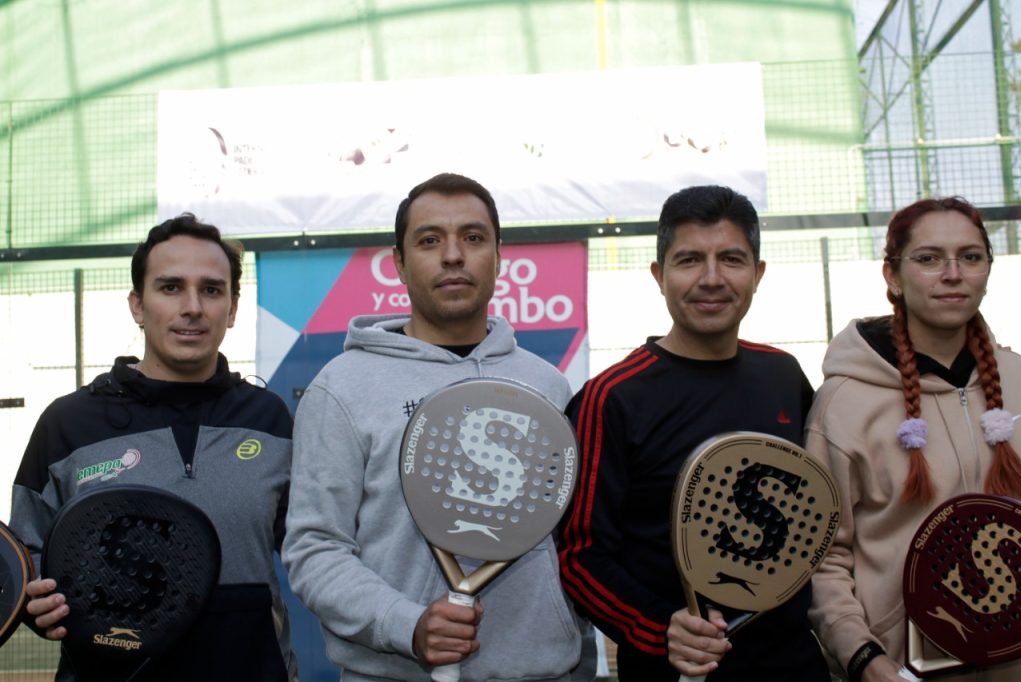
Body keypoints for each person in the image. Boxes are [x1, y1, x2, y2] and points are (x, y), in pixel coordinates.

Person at [282, 172, 589, 681]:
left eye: (473, 238)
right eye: (430, 240)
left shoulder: (549, 385)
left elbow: (566, 544)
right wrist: (406, 625)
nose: (453, 255)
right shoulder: (341, 387)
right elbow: (316, 548)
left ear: (498, 255)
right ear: (400, 264)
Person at [558, 185, 830, 681]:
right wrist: (660, 629)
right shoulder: (612, 398)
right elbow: (579, 557)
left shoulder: (784, 374)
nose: (712, 279)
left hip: (794, 664)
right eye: (689, 261)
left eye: (731, 259)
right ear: (659, 277)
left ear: (758, 274)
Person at [9, 214, 297, 680]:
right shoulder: (68, 422)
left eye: (211, 289)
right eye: (170, 288)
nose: (192, 307)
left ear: (233, 307)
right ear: (138, 305)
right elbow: (24, 560)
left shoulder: (271, 420)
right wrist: (35, 604)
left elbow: (317, 549)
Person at [805, 197, 1021, 682]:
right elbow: (824, 556)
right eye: (928, 259)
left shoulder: (1019, 380)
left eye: (971, 257)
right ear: (892, 275)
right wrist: (862, 657)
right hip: (901, 670)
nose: (952, 273)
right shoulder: (843, 403)